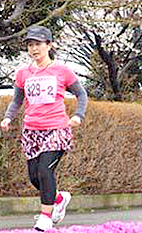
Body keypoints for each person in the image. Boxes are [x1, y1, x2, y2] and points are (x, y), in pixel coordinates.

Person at [0, 26, 87, 231]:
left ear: (49, 45)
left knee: (45, 170)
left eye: (38, 44)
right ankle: (58, 198)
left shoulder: (62, 71)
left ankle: (45, 218)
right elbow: (17, 100)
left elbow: (81, 94)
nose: (34, 49)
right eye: (30, 45)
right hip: (31, 130)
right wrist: (7, 117)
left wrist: (78, 116)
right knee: (34, 177)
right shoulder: (23, 73)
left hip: (57, 128)